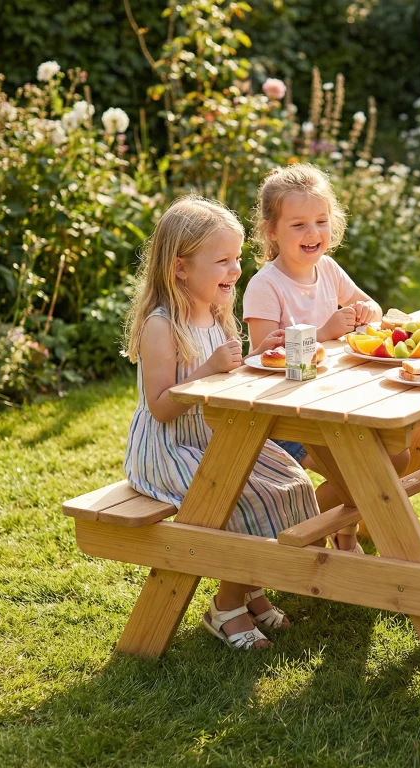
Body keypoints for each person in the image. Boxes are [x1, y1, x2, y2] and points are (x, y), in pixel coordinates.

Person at [123, 195, 319, 651]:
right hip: (169, 449)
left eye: (236, 259)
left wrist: (253, 356)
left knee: (291, 481)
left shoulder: (213, 312)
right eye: (222, 261)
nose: (234, 270)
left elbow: (225, 380)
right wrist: (209, 368)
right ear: (180, 268)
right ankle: (226, 607)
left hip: (214, 438)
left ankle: (250, 588)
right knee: (243, 494)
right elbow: (160, 406)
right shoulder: (162, 325)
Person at [243, 163, 407, 551]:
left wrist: (368, 311)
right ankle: (310, 526)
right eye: (298, 224)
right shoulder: (265, 285)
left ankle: (331, 525)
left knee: (396, 457)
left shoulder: (328, 269)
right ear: (272, 232)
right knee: (369, 469)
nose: (313, 233)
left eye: (320, 220)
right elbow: (264, 353)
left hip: (334, 401)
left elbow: (371, 305)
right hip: (284, 415)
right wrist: (324, 332)